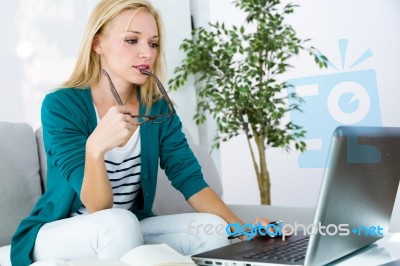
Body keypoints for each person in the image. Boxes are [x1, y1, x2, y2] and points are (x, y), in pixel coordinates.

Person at [11, 0, 270, 265]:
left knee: (214, 229)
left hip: (128, 226)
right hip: (62, 231)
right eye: (132, 40)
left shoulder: (157, 108)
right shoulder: (61, 105)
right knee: (118, 222)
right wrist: (95, 148)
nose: (146, 52)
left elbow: (189, 178)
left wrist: (244, 231)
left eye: (153, 43)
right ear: (97, 44)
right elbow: (98, 208)